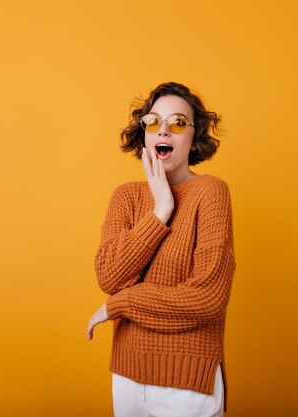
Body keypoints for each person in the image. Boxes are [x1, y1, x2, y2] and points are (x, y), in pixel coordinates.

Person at [87, 81, 236, 417]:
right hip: (126, 377)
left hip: (187, 384)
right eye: (153, 122)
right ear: (143, 134)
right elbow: (109, 276)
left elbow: (207, 298)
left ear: (193, 138)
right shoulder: (126, 197)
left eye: (178, 122)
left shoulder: (211, 193)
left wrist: (120, 304)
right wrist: (161, 210)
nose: (164, 129)